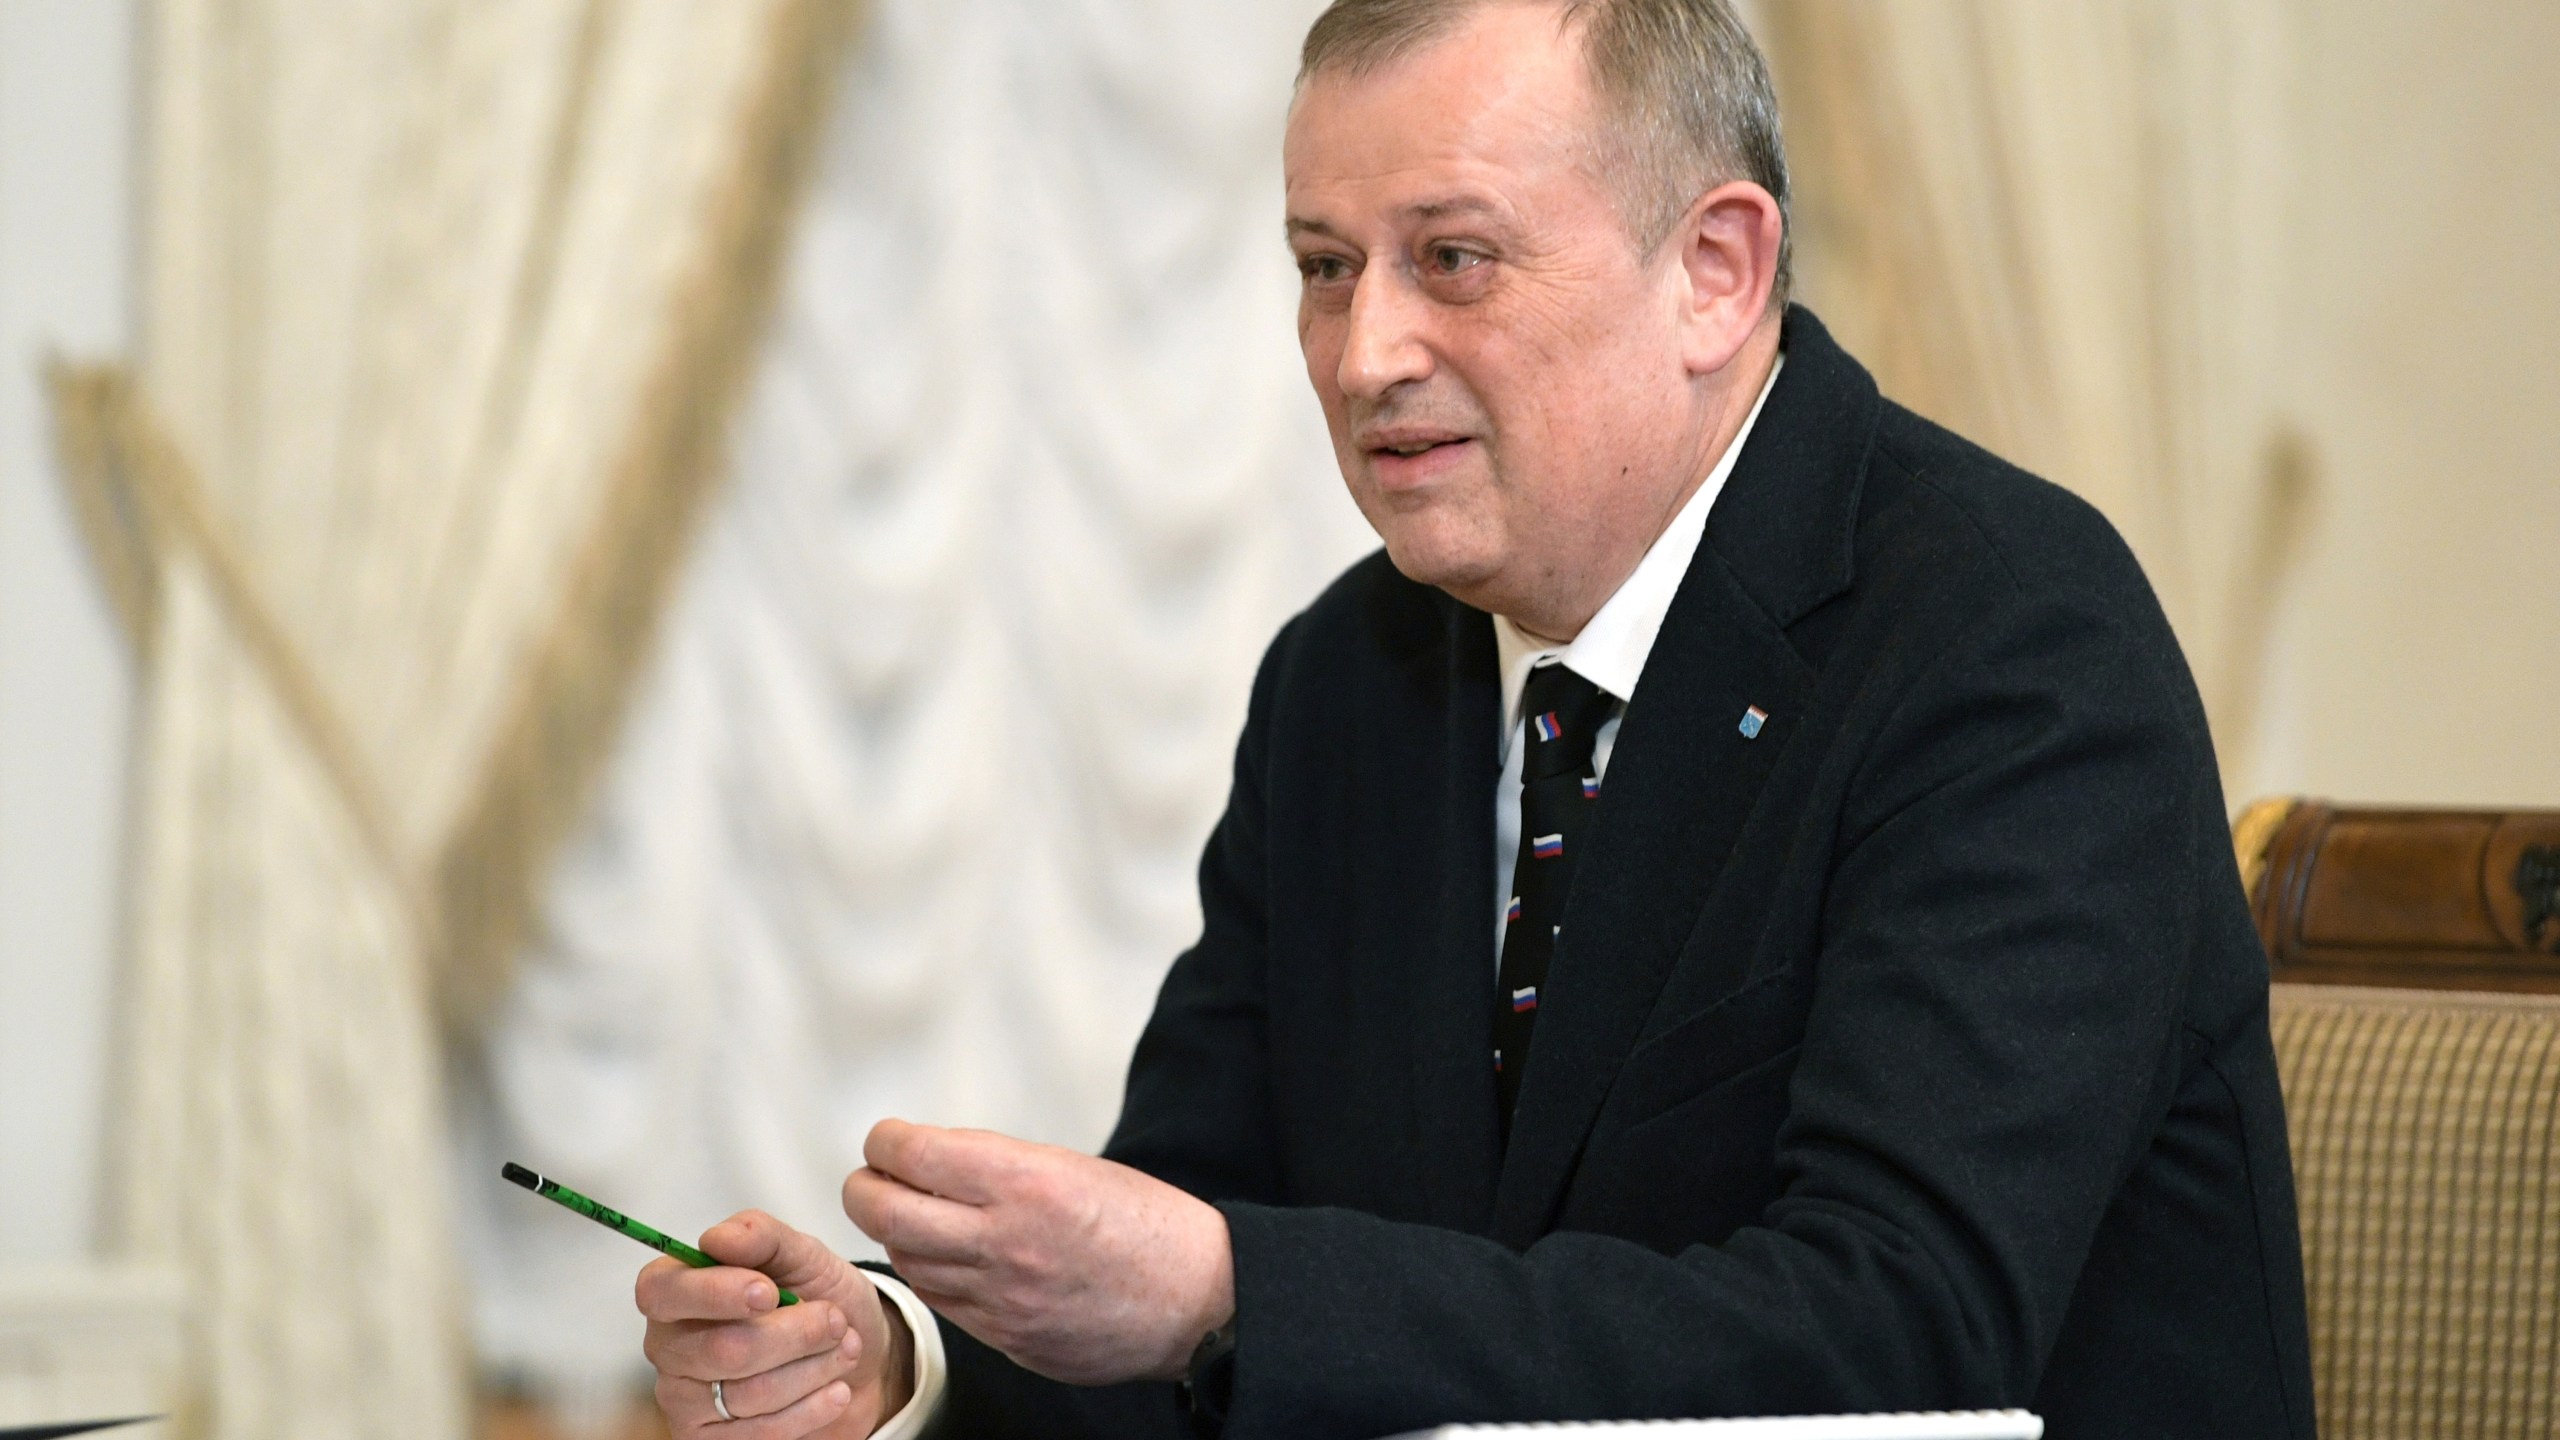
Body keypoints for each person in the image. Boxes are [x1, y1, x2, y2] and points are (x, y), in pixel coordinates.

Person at [634, 2, 2318, 1436]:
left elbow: (1900, 1333)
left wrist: (1229, 1287)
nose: (1365, 353)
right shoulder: (1349, 681)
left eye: (1453, 259)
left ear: (1716, 272)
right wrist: (897, 1357)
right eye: (1322, 267)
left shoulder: (2009, 638)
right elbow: (1189, 1287)